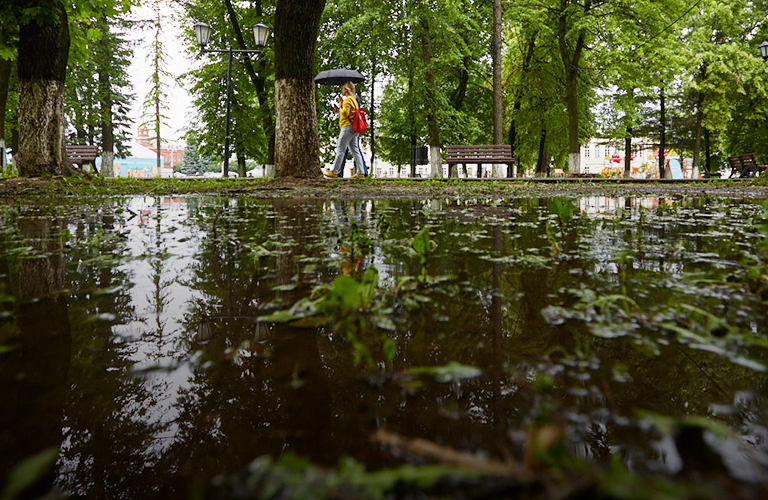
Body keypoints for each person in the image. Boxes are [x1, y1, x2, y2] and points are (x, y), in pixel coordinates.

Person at [324, 81, 366, 179]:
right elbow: (348, 113)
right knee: (355, 149)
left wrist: (340, 105)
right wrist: (340, 108)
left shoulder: (347, 100)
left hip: (347, 126)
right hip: (354, 127)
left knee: (340, 149)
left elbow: (345, 114)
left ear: (346, 90)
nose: (341, 90)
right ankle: (361, 172)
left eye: (342, 88)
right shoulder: (354, 100)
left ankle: (334, 171)